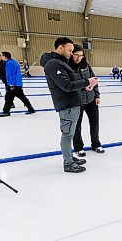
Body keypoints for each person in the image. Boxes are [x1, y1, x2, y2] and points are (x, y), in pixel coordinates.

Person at [40, 37, 98, 173]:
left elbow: (69, 83)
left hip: (72, 103)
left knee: (69, 134)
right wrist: (86, 82)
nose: (71, 54)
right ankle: (68, 163)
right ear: (61, 48)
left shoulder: (60, 62)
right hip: (68, 105)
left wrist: (85, 87)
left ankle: (69, 157)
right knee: (67, 134)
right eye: (70, 50)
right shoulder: (54, 64)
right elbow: (66, 85)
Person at [69, 44, 105, 157]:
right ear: (71, 54)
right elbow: (68, 85)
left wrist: (97, 95)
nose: (79, 58)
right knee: (77, 125)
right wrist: (83, 87)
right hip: (77, 101)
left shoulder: (86, 65)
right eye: (76, 55)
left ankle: (96, 144)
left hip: (90, 99)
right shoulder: (67, 67)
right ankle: (78, 147)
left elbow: (94, 80)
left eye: (81, 55)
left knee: (94, 123)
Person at [0, 52, 35, 117]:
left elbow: (10, 74)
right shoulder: (13, 62)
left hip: (14, 84)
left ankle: (6, 112)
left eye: (2, 56)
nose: (1, 57)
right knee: (22, 97)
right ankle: (31, 109)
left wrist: (11, 84)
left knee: (9, 98)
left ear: (5, 57)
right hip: (17, 83)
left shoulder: (9, 63)